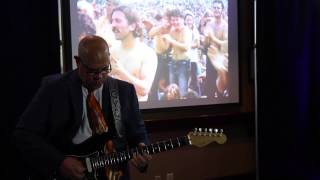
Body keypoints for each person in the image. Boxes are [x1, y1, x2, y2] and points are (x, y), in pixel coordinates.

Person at [13, 35, 151, 180]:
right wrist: (60, 162)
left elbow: (137, 133)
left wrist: (141, 149)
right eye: (92, 71)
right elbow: (23, 134)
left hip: (114, 174)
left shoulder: (125, 91)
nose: (99, 77)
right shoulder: (53, 88)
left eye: (105, 69)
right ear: (78, 62)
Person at [109, 5, 158, 102]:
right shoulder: (111, 51)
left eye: (118, 21)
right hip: (112, 111)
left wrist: (120, 72)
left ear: (132, 26)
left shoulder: (147, 53)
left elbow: (144, 89)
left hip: (137, 112)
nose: (113, 25)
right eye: (112, 21)